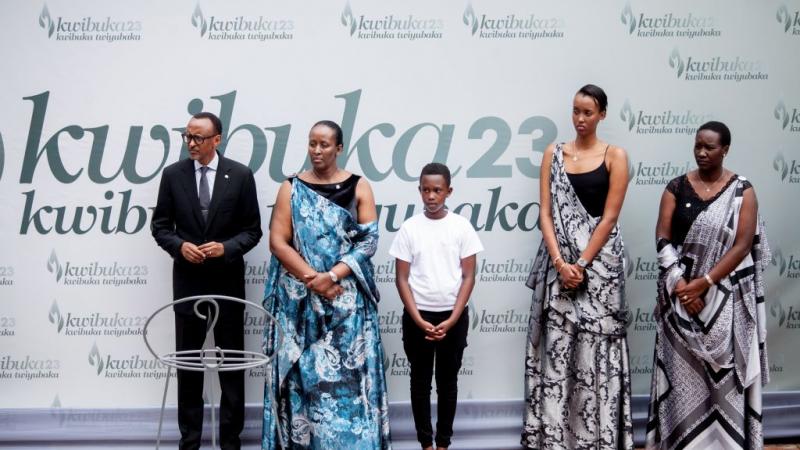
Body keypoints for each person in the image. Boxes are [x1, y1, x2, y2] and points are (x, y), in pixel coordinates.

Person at [261, 120, 391, 449]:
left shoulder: (360, 186)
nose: (317, 151)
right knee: (307, 383)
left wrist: (332, 276)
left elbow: (368, 242)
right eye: (312, 144)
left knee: (351, 385)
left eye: (324, 145)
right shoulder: (291, 188)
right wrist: (313, 279)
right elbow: (278, 241)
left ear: (339, 148)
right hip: (300, 306)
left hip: (347, 306)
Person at [645, 121, 770, 449]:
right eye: (698, 145)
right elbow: (662, 236)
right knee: (681, 382)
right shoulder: (676, 187)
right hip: (681, 303)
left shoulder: (742, 191)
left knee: (722, 386)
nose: (702, 152)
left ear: (725, 149)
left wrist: (704, 283)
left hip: (724, 304)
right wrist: (681, 284)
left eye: (709, 147)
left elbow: (743, 245)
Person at [521, 84, 633, 449]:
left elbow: (610, 217)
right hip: (560, 270)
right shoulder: (553, 153)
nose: (580, 119)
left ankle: (598, 438)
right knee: (556, 352)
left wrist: (582, 264)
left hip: (599, 271)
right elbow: (545, 213)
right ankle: (553, 438)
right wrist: (560, 263)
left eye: (588, 112)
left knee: (596, 353)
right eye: (575, 111)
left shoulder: (615, 156)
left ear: (602, 115)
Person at [151, 111, 263, 450]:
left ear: (217, 139)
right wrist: (180, 247)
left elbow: (252, 231)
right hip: (187, 286)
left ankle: (230, 441)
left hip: (227, 284)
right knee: (188, 367)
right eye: (187, 136)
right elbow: (160, 227)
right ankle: (190, 441)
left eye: (198, 137)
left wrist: (225, 248)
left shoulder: (240, 175)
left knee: (231, 365)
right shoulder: (173, 175)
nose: (191, 143)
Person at [389, 163, 483, 450]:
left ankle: (443, 444)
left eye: (437, 190)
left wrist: (454, 318)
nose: (431, 196)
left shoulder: (461, 227)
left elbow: (468, 276)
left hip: (452, 318)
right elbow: (401, 278)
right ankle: (425, 444)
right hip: (418, 318)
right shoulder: (409, 228)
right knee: (419, 382)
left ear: (448, 191)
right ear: (419, 191)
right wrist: (417, 319)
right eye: (426, 190)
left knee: (447, 383)